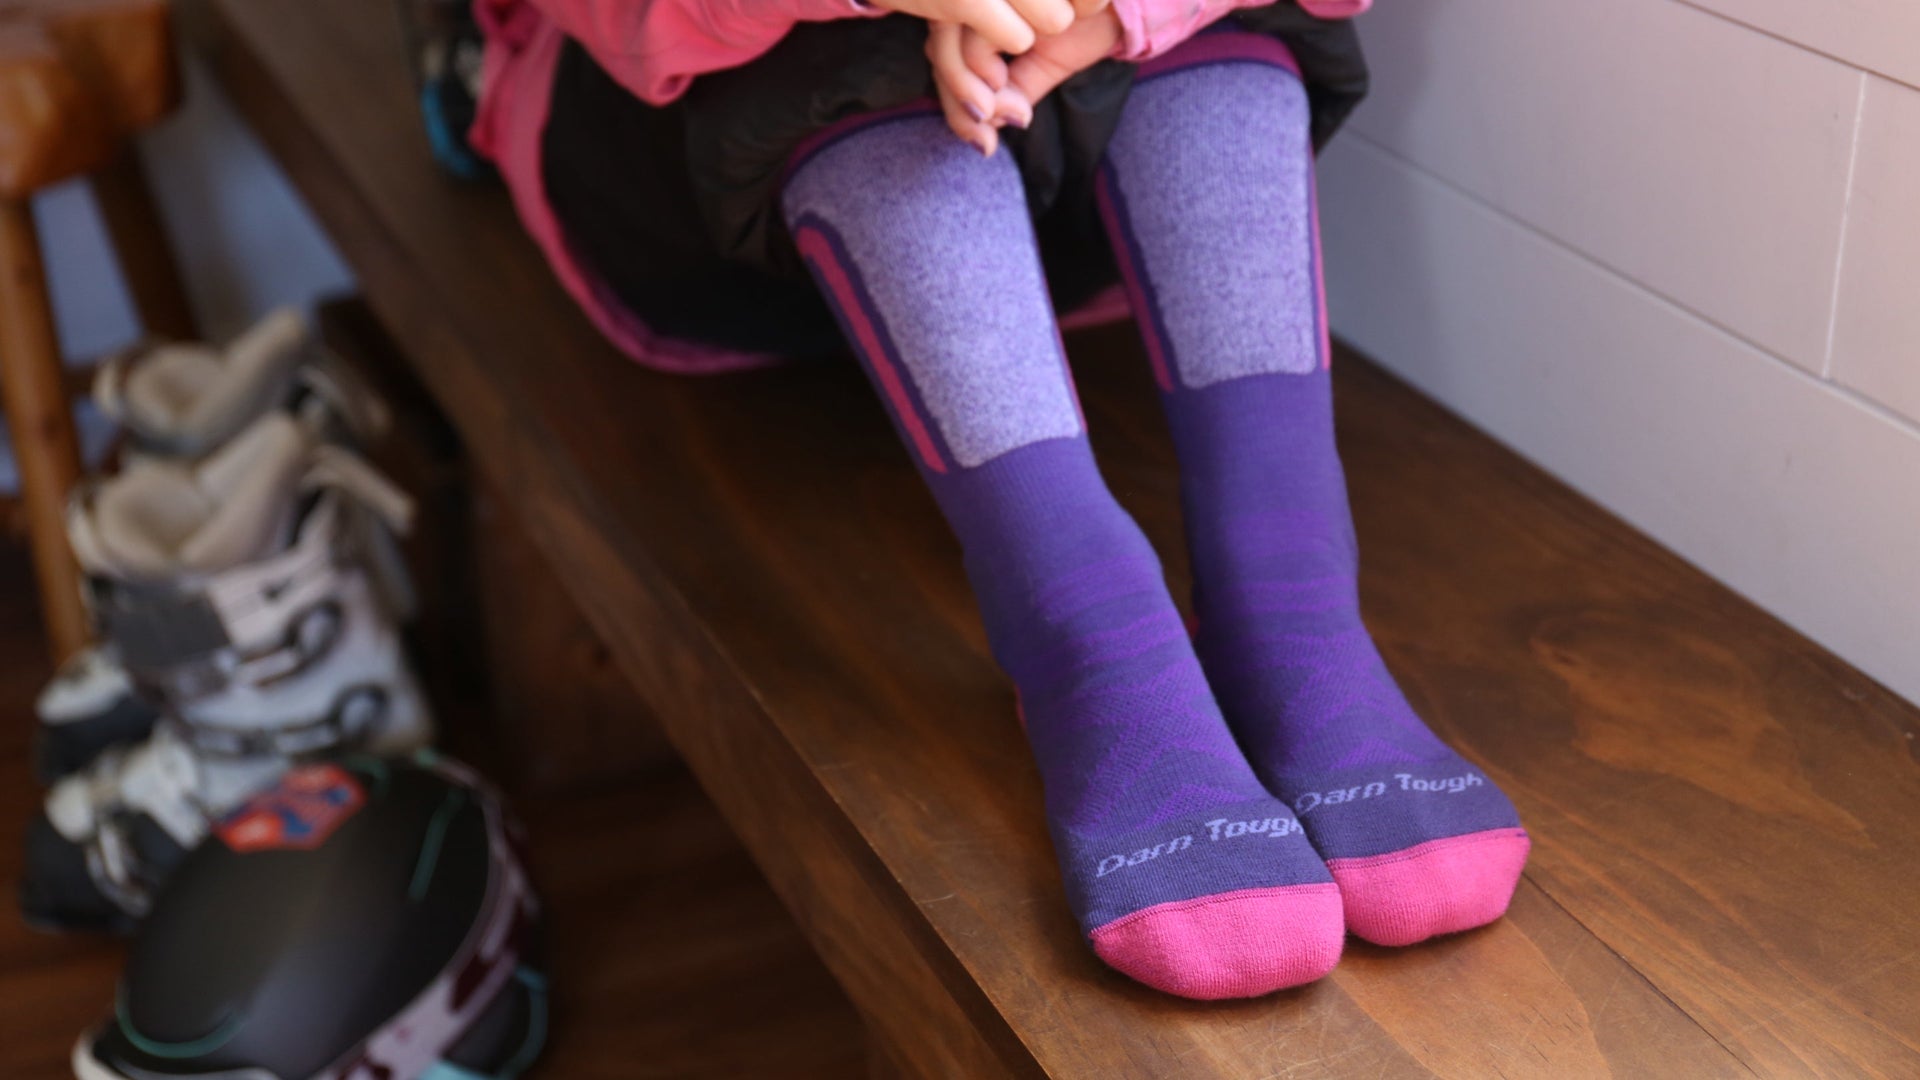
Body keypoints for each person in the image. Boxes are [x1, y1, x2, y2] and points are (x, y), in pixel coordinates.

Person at [466, 0, 1529, 1000]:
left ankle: (1288, 604)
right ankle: (1087, 629)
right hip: (703, 195)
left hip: (1074, 179)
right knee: (852, 42)